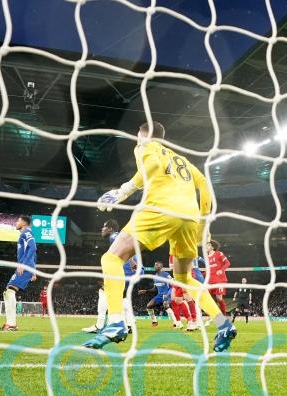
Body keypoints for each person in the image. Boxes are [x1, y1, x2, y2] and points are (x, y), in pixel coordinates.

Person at [84, 120, 236, 352]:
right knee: (184, 278)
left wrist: (123, 191)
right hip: (189, 219)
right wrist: (203, 224)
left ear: (142, 134)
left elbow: (152, 165)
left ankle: (115, 322)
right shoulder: (182, 160)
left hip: (160, 209)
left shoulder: (145, 146)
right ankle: (223, 325)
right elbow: (205, 185)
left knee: (111, 258)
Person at [83, 219, 138, 334]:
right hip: (127, 272)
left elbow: (125, 248)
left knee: (103, 292)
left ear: (110, 229)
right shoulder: (118, 236)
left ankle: (100, 325)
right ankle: (129, 324)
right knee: (122, 298)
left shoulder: (114, 236)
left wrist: (132, 262)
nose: (102, 229)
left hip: (123, 271)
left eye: (104, 227)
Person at [1, 215, 37, 331]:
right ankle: (10, 323)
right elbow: (34, 254)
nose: (16, 223)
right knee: (8, 292)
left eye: (18, 221)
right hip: (26, 266)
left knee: (10, 291)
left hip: (24, 267)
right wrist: (33, 271)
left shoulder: (26, 232)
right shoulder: (26, 233)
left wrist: (23, 265)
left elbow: (33, 248)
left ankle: (11, 324)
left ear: (24, 223)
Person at [137, 261, 182, 328]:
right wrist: (145, 291)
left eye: (157, 265)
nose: (155, 266)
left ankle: (175, 322)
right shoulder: (155, 277)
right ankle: (154, 321)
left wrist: (169, 293)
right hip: (159, 295)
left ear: (161, 267)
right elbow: (155, 289)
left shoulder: (165, 274)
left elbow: (173, 283)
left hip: (167, 293)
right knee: (149, 306)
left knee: (166, 305)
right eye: (155, 265)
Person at [206, 239, 231, 315]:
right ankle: (213, 315)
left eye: (208, 245)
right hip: (210, 281)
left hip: (220, 280)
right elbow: (209, 270)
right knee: (206, 298)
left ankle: (223, 316)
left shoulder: (219, 254)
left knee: (219, 298)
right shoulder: (207, 258)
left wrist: (221, 270)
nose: (206, 247)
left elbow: (227, 263)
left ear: (213, 247)